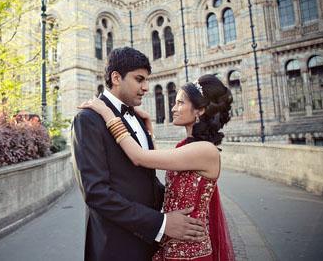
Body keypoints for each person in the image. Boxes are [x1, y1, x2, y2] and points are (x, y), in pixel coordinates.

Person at [79, 73, 235, 261]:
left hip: (190, 250)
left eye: (180, 103)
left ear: (200, 110)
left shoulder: (205, 151)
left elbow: (139, 157)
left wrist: (108, 114)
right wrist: (148, 131)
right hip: (170, 246)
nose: (173, 108)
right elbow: (158, 168)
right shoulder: (186, 147)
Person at [71, 47, 206, 261]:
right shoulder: (88, 120)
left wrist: (180, 209)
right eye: (139, 79)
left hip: (150, 242)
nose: (146, 88)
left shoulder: (139, 119)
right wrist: (161, 223)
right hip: (116, 247)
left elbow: (146, 180)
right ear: (116, 77)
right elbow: (96, 193)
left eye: (147, 80)